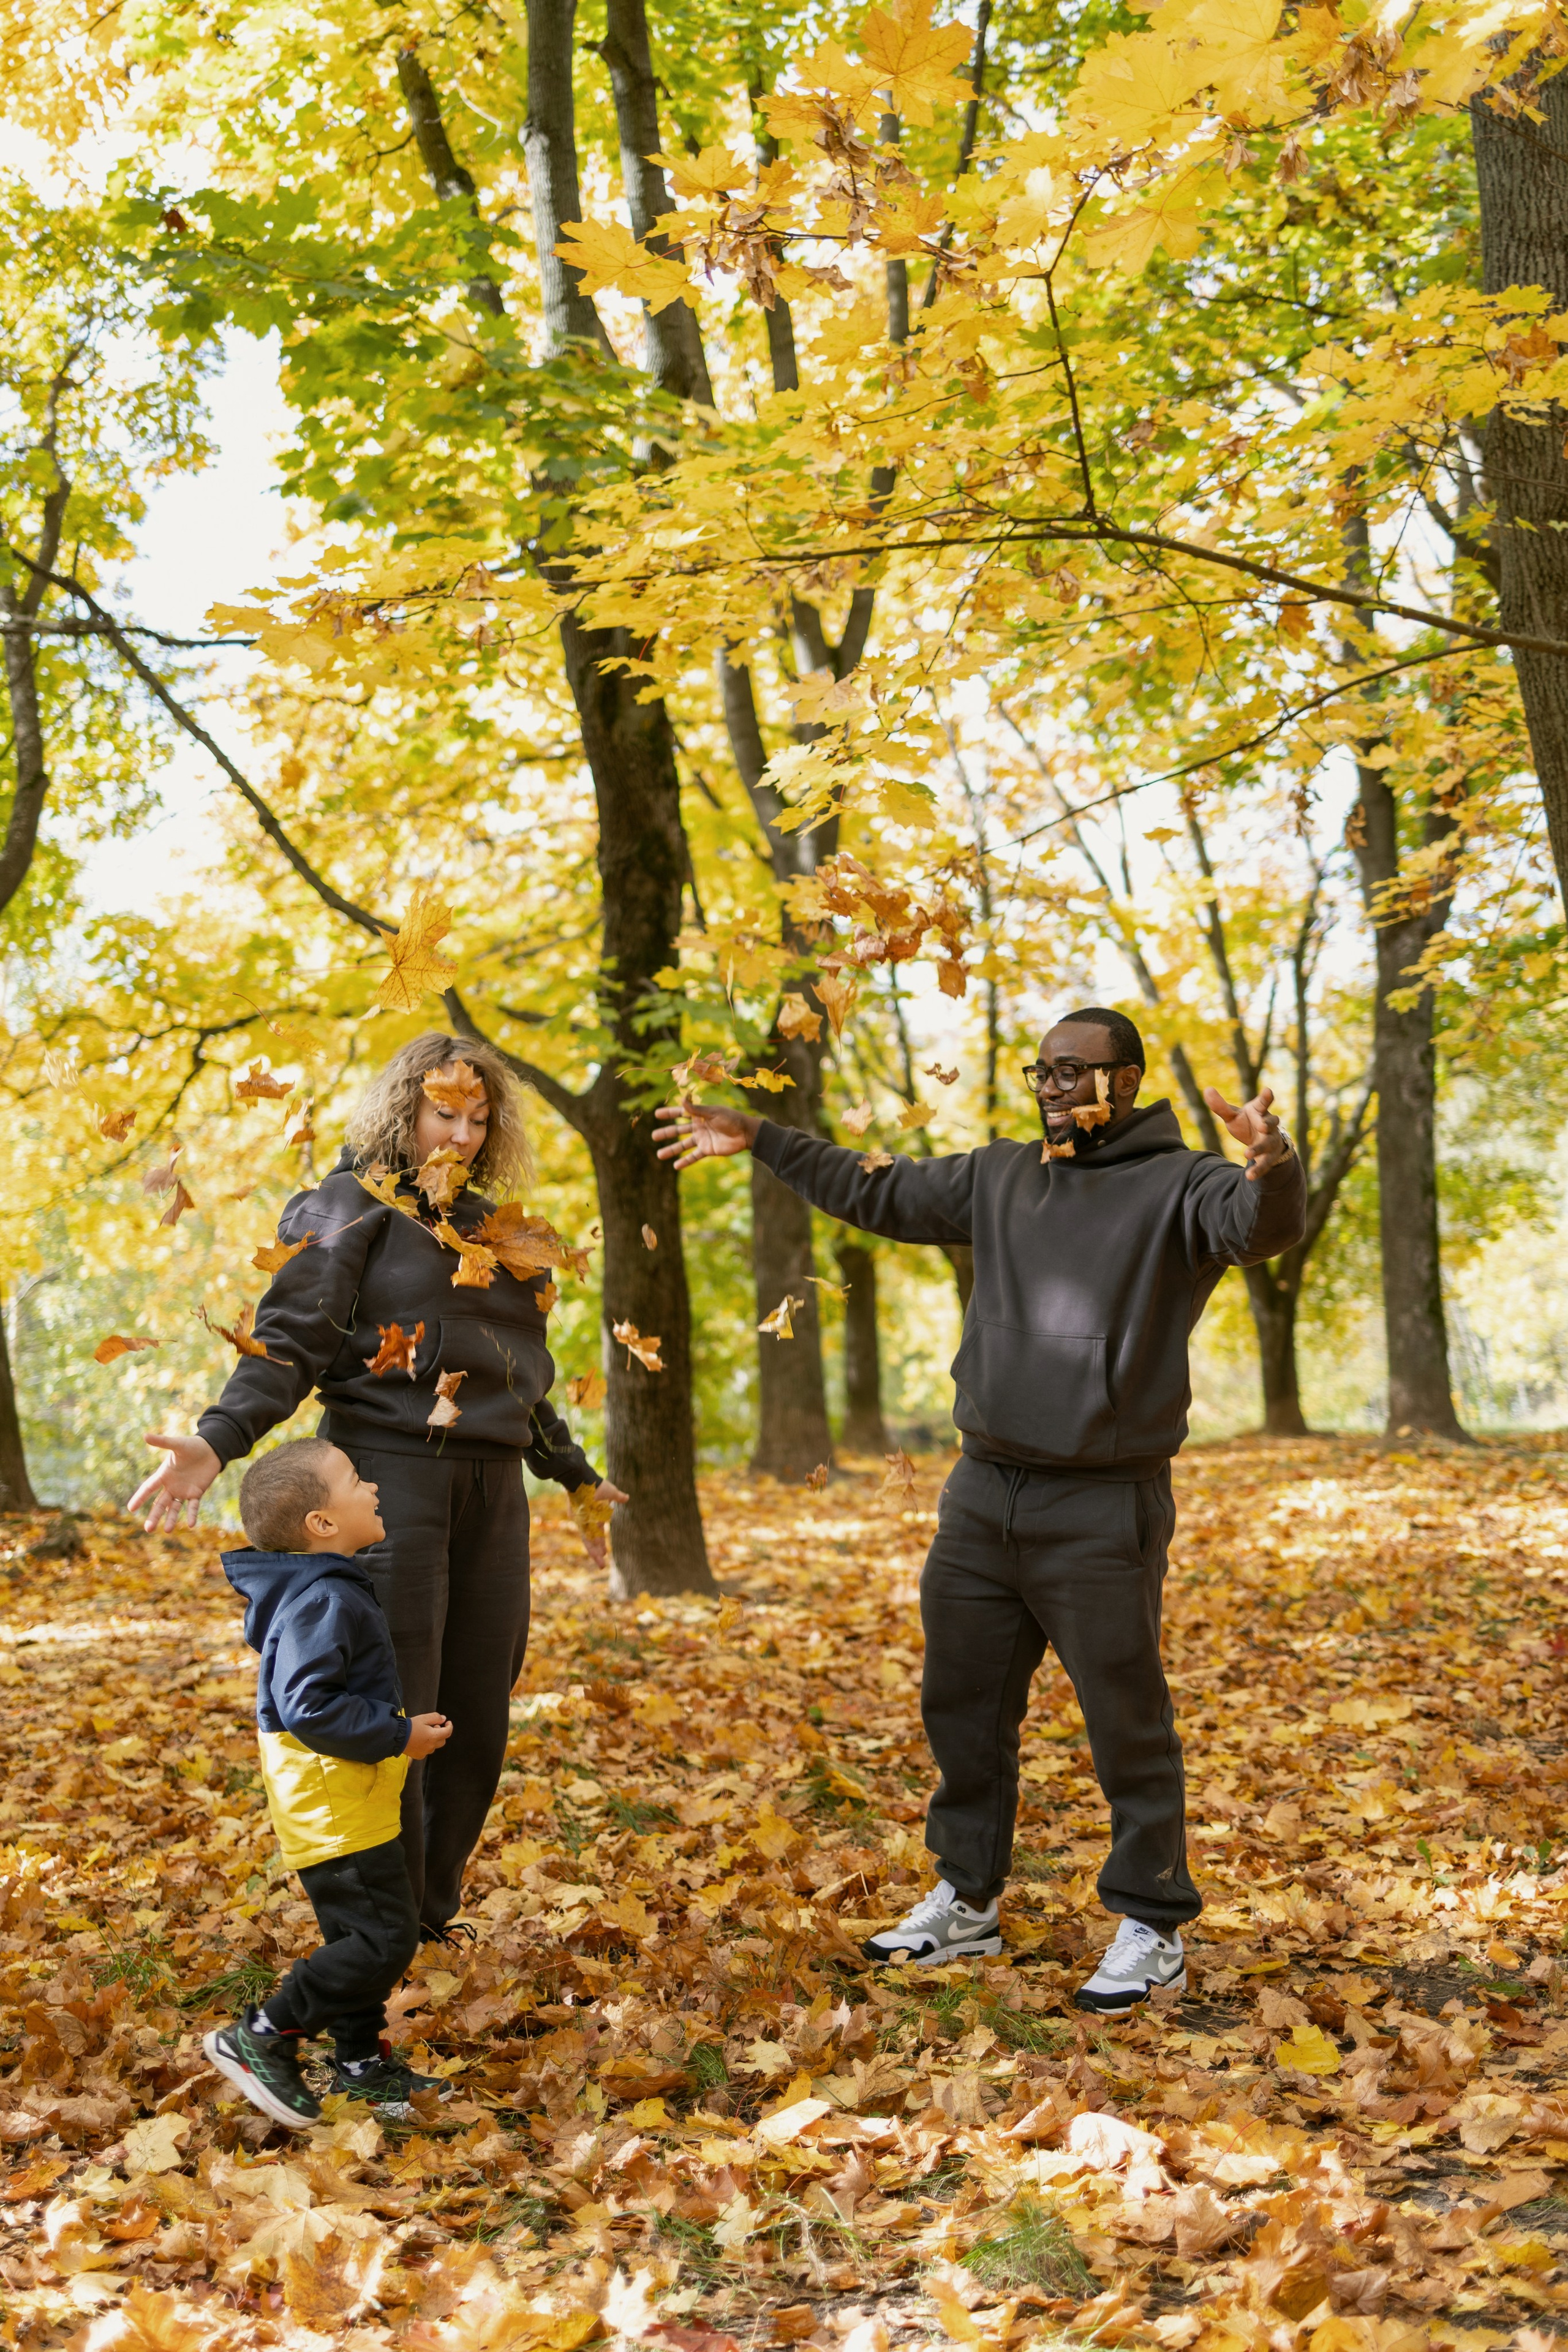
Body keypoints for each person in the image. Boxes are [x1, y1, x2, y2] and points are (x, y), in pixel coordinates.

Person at [654, 1008, 1306, 2013]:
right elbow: (879, 1190)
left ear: (1126, 1082)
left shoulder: (1184, 1184)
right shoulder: (1003, 1175)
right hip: (980, 1492)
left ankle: (1153, 1922)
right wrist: (765, 1140)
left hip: (1102, 1497)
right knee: (962, 1706)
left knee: (1125, 1719)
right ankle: (966, 1901)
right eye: (1043, 1068)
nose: (1053, 1085)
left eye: (1076, 1071)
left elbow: (1259, 1228)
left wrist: (1273, 1162)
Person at [130, 1032, 627, 1946]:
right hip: (385, 1485)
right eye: (446, 1111)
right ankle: (373, 1936)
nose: (464, 1134)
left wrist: (575, 1477)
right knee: (389, 1710)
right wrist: (218, 1437)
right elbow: (290, 1340)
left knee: (474, 1718)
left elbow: (519, 1378)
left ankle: (427, 1915)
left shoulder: (501, 1231)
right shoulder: (350, 1204)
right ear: (405, 1106)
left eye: (481, 1119)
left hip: (492, 1493)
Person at [206, 1438, 454, 2127]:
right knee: (383, 1940)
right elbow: (309, 1706)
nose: (372, 1487)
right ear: (322, 1523)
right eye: (354, 1480)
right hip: (334, 1806)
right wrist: (398, 1734)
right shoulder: (322, 1601)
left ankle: (360, 2065)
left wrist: (394, 1727)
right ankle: (263, 2035)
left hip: (346, 1799)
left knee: (359, 1935)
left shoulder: (323, 1590)